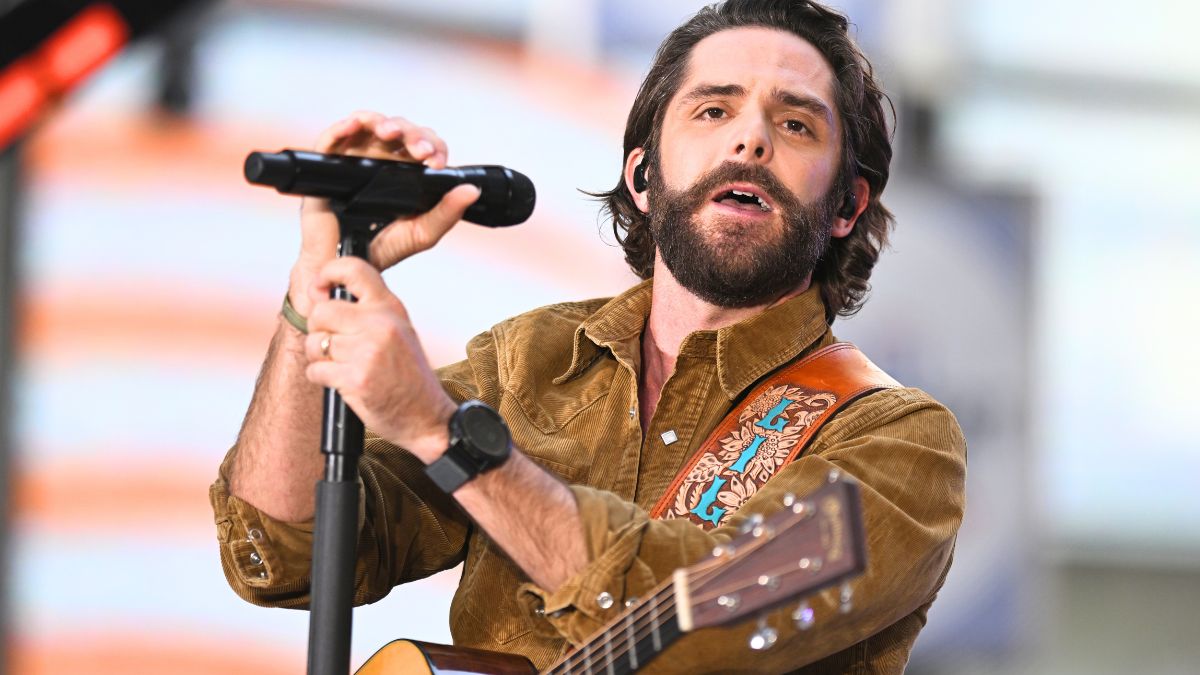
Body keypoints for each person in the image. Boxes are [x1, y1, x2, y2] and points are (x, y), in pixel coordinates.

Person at [210, 1, 966, 672]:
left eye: (796, 123)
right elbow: (279, 552)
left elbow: (706, 631)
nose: (751, 142)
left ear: (846, 205)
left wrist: (444, 434)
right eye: (713, 112)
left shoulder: (900, 442)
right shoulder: (524, 362)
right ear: (642, 176)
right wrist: (318, 278)